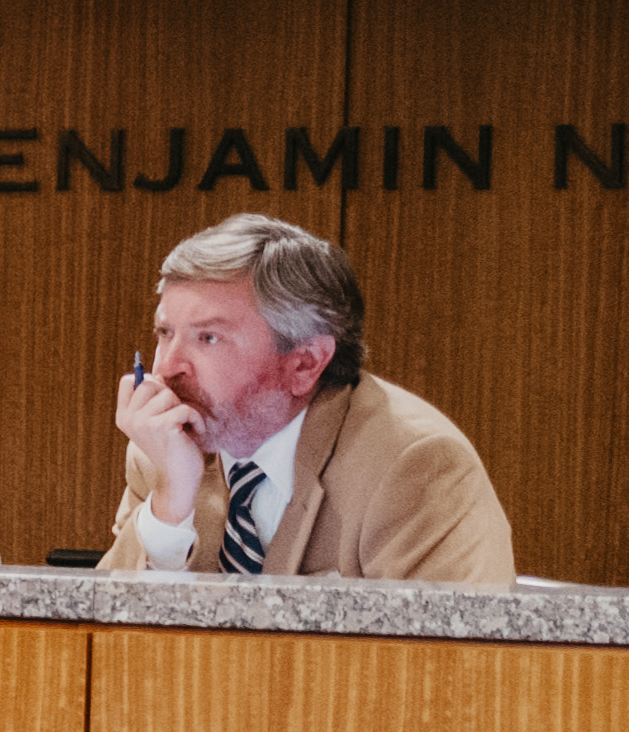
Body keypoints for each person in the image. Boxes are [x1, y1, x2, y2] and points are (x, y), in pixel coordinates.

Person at [102, 213, 511, 585]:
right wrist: (169, 507)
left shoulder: (416, 467)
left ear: (305, 363)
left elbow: (454, 661)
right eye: (165, 333)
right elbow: (100, 639)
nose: (168, 368)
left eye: (208, 338)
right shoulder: (164, 450)